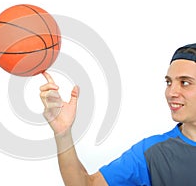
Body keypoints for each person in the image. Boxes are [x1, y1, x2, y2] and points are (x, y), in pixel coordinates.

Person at [39, 43, 196, 186]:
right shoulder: (153, 153)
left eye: (185, 83)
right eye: (169, 82)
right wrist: (63, 133)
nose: (171, 92)